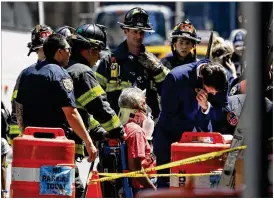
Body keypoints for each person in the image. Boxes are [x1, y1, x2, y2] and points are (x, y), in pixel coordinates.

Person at [14, 34, 97, 197]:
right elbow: (71, 113)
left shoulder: (26, 73)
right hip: (55, 148)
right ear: (59, 52)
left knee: (32, 191)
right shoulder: (61, 75)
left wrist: (25, 133)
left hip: (31, 146)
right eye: (68, 49)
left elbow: (19, 109)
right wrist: (88, 142)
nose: (70, 53)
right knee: (69, 190)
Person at [154, 61, 232, 188]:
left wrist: (206, 108)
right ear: (202, 78)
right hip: (170, 136)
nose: (213, 94)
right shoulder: (176, 78)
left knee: (200, 186)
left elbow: (223, 111)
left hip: (202, 140)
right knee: (167, 185)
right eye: (210, 91)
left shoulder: (222, 78)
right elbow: (169, 114)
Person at [96, 7, 170, 119]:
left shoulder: (152, 62)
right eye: (135, 32)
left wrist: (157, 68)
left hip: (147, 126)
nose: (139, 36)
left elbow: (169, 88)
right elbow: (97, 98)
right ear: (125, 31)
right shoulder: (108, 62)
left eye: (142, 32)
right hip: (117, 126)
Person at [65, 23, 125, 145]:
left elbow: (81, 112)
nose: (98, 57)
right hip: (69, 145)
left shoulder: (67, 68)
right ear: (90, 50)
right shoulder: (83, 72)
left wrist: (98, 131)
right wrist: (118, 131)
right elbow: (99, 106)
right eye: (98, 51)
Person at [8, 24, 53, 145]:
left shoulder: (62, 72)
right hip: (32, 135)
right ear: (36, 49)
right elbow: (17, 105)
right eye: (43, 49)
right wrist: (16, 135)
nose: (46, 52)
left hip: (56, 135)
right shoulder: (26, 74)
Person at [118, 87, 156, 195]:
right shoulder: (136, 132)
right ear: (135, 110)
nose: (146, 108)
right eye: (143, 104)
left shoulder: (123, 128)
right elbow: (135, 169)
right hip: (141, 188)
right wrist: (155, 191)